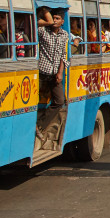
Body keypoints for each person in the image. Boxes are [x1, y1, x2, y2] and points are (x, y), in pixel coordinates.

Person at [36, 8, 79, 144]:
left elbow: (63, 56)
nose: (54, 21)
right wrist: (47, 19)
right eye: (52, 18)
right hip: (42, 73)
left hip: (55, 74)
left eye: (57, 19)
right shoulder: (43, 31)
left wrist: (60, 73)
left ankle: (40, 126)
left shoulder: (64, 35)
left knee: (60, 101)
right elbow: (35, 23)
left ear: (62, 21)